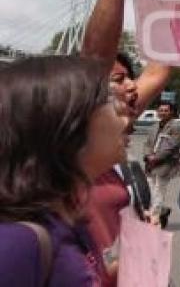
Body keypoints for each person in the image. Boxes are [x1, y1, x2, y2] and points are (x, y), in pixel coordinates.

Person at [80, 0, 180, 286]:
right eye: (118, 79)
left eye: (131, 77)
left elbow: (160, 68)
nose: (132, 87)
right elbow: (93, 61)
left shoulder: (118, 130)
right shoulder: (78, 137)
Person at [0, 56, 127, 286]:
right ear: (71, 123)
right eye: (107, 101)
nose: (123, 118)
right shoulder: (19, 244)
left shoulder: (69, 224)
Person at [143, 101, 180, 228]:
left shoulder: (176, 127)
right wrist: (147, 156)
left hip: (165, 164)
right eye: (160, 110)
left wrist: (156, 158)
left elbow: (173, 146)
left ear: (172, 112)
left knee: (159, 191)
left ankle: (154, 219)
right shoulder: (154, 126)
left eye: (166, 110)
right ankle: (162, 211)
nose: (162, 112)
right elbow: (147, 144)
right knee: (150, 192)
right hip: (150, 164)